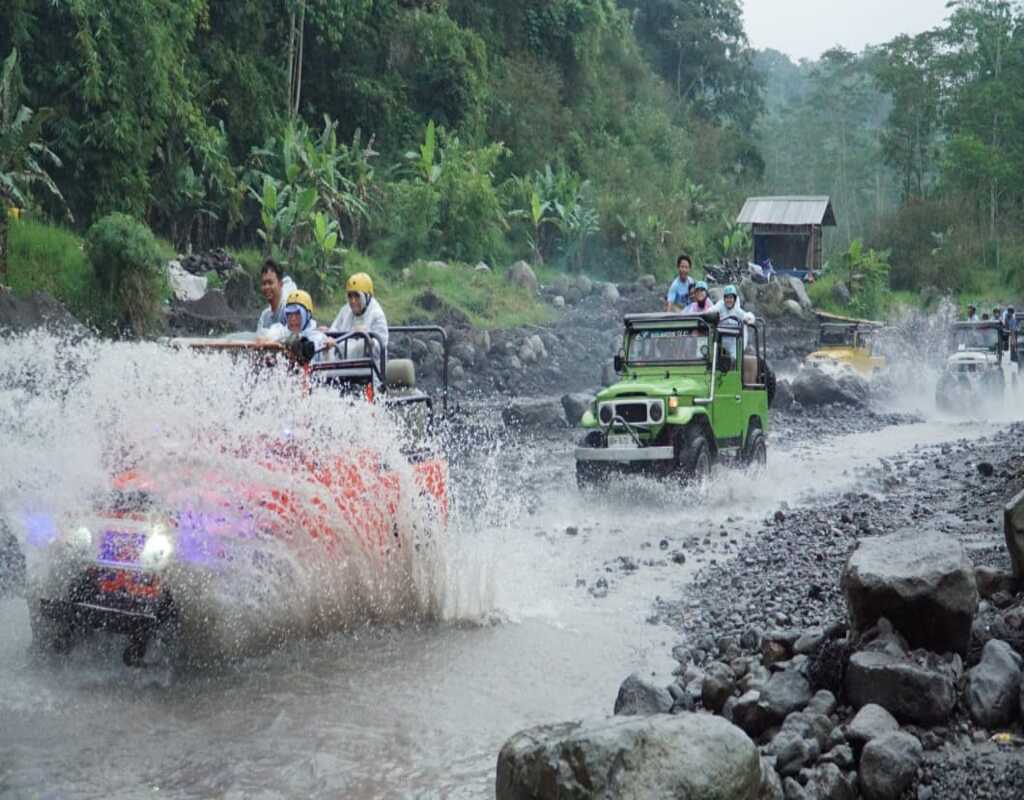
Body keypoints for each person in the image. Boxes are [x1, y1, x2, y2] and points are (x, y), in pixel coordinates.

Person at [327, 272, 389, 357]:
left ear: (367, 296)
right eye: (350, 296)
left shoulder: (377, 315)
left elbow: (381, 343)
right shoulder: (345, 311)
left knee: (361, 345)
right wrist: (327, 336)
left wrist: (366, 337)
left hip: (370, 365)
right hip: (343, 363)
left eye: (357, 296)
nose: (353, 301)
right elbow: (334, 329)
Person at [257, 259, 297, 331]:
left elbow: (293, 334)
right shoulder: (265, 316)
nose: (266, 287)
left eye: (270, 283)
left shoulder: (289, 310)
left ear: (280, 284)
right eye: (264, 283)